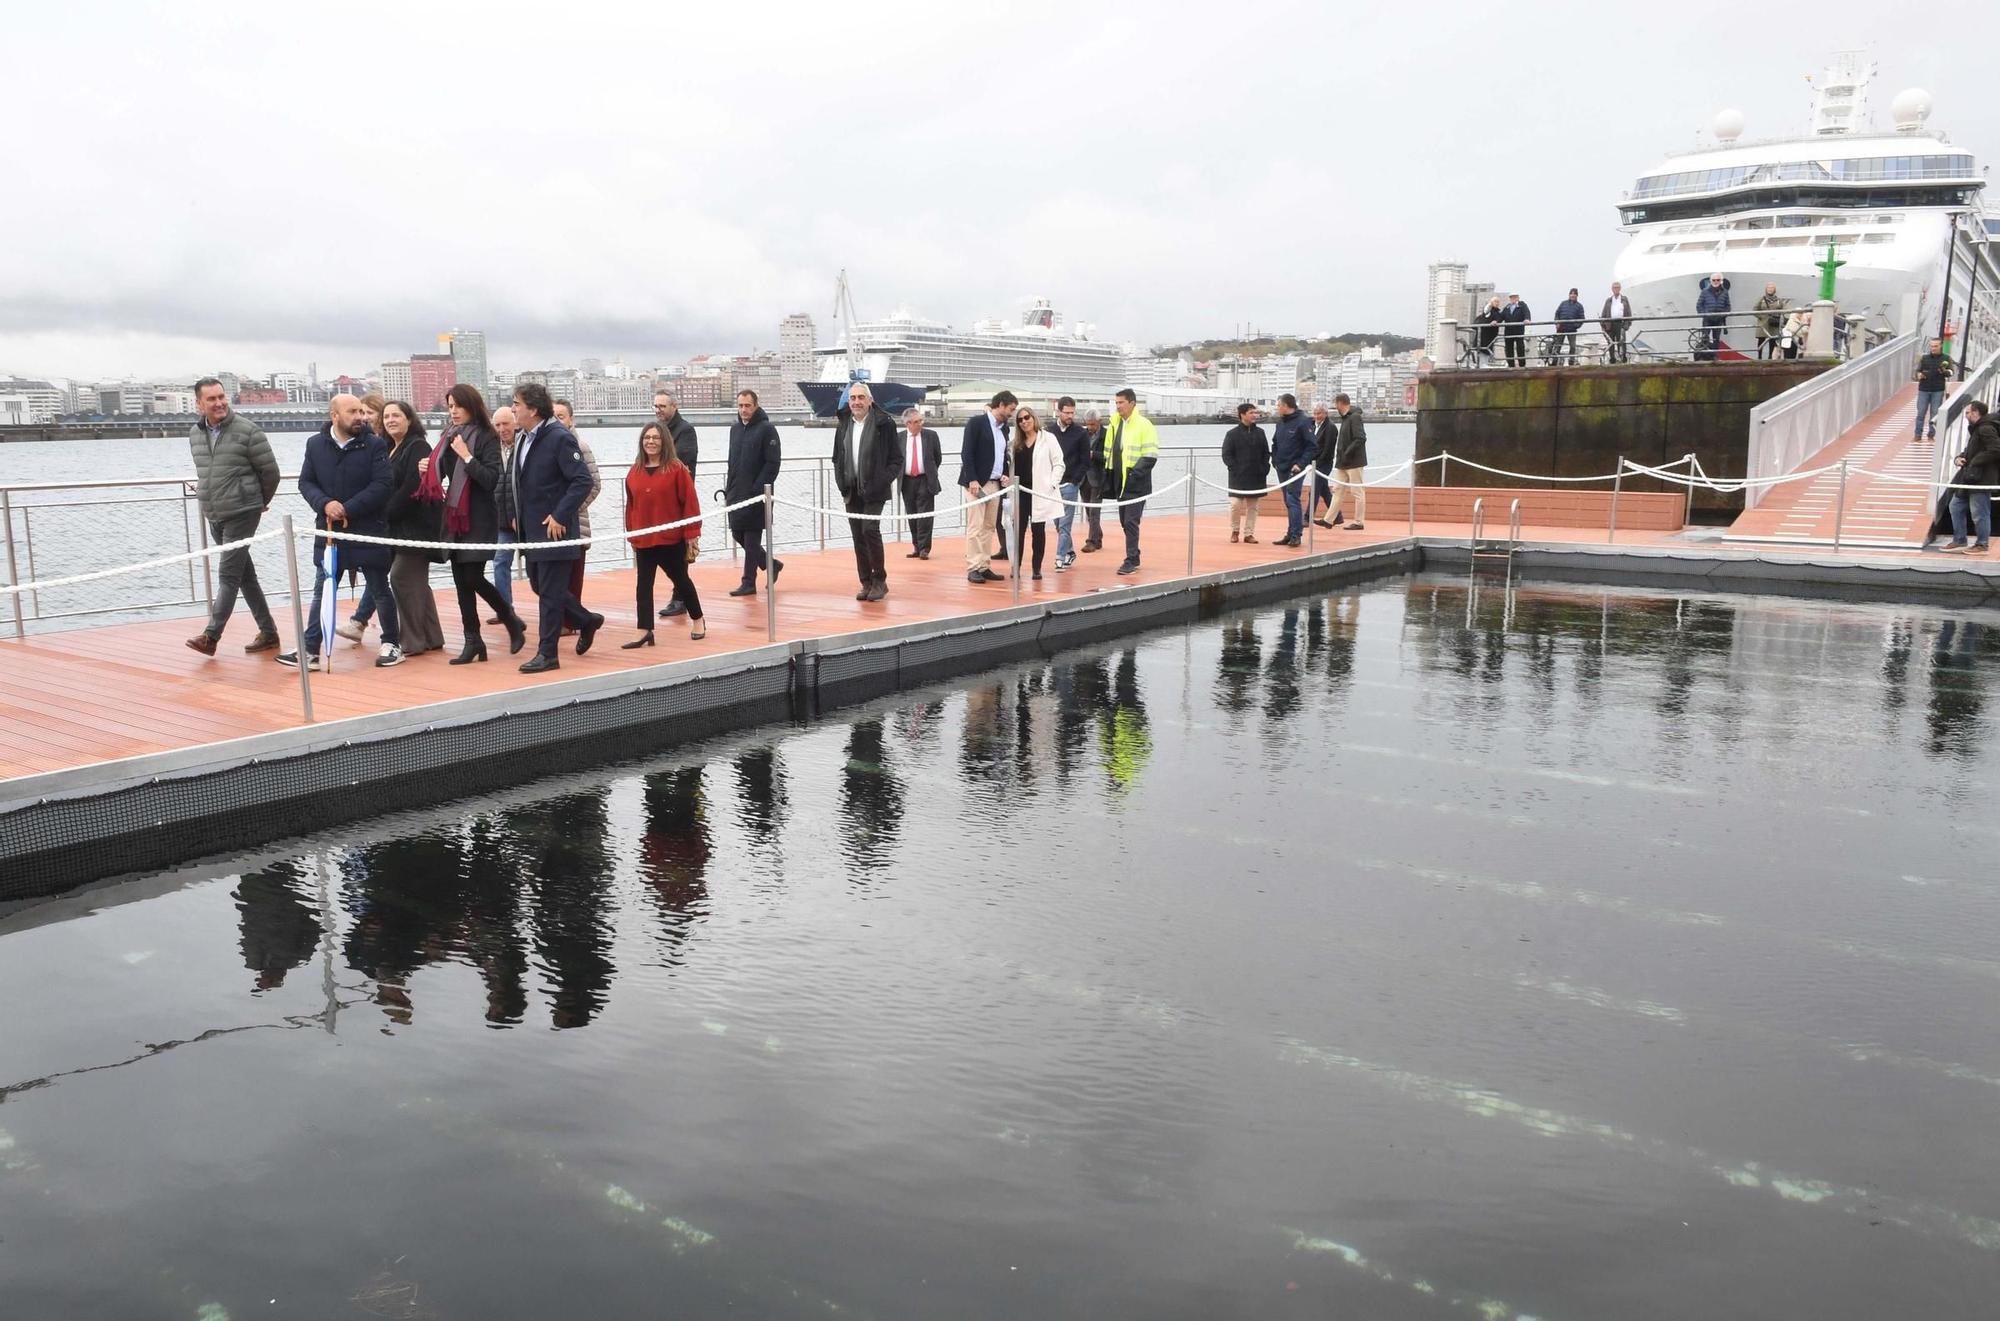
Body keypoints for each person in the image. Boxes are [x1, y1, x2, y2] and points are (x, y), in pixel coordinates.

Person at [279, 394, 400, 670]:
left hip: (368, 530)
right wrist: (325, 504)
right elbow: (306, 482)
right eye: (352, 411)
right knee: (323, 590)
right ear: (334, 415)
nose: (361, 416)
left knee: (380, 588)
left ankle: (392, 643)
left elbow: (383, 485)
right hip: (330, 533)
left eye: (361, 411)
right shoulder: (315, 444)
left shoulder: (375, 444)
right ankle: (309, 650)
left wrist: (346, 508)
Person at [183, 377, 281, 656]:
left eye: (221, 397)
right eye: (211, 399)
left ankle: (211, 636)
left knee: (228, 574)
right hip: (215, 512)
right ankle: (269, 632)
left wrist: (260, 502)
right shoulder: (195, 434)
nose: (219, 403)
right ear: (199, 404)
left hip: (242, 512)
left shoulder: (248, 432)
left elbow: (270, 472)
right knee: (244, 575)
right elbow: (207, 471)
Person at [508, 382, 601, 673]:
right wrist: (515, 515)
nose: (513, 409)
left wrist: (561, 515)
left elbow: (582, 480)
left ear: (533, 409)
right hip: (532, 531)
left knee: (549, 593)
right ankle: (586, 620)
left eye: (517, 404)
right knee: (540, 585)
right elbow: (519, 481)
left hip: (555, 531)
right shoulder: (524, 438)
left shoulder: (558, 437)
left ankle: (547, 654)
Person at [432, 384, 525, 664]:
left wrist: (466, 456)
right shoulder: (449, 436)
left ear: (471, 406)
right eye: (449, 407)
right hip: (455, 517)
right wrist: (431, 466)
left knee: (472, 577)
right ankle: (473, 640)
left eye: (457, 406)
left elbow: (489, 479)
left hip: (479, 518)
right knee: (461, 580)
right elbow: (447, 475)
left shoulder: (486, 436)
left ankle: (509, 617)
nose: (453, 412)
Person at [622, 422, 705, 644]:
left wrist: (692, 533)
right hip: (644, 537)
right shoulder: (635, 470)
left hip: (670, 538)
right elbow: (631, 505)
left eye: (655, 438)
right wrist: (631, 532)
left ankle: (698, 618)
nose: (650, 441)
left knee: (681, 580)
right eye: (647, 437)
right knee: (643, 584)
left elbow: (690, 502)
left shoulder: (677, 469)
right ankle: (644, 629)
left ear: (664, 441)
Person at [379, 401, 445, 657]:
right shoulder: (388, 447)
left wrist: (384, 513)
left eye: (396, 415)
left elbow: (411, 488)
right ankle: (431, 636)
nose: (391, 420)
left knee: (401, 577)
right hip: (397, 529)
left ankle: (412, 641)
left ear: (409, 419)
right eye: (386, 416)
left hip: (416, 528)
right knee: (417, 583)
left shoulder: (417, 446)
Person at [833, 382, 898, 601]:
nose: (856, 402)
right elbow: (837, 456)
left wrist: (883, 480)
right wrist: (841, 481)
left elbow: (896, 459)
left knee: (870, 530)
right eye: (852, 398)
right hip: (851, 488)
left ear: (870, 400)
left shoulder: (884, 423)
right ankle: (866, 582)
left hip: (875, 488)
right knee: (857, 536)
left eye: (861, 397)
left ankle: (880, 580)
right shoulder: (843, 423)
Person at [724, 389, 784, 596]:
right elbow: (732, 462)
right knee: (737, 532)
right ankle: (771, 564)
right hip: (735, 493)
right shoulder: (735, 430)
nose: (743, 410)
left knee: (751, 538)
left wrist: (757, 489)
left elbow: (773, 463)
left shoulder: (767, 429)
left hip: (758, 494)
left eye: (747, 405)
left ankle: (748, 582)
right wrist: (729, 489)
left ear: (756, 406)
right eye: (740, 405)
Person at [958, 389, 1016, 584]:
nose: (1012, 413)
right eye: (1010, 409)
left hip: (995, 484)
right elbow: (967, 453)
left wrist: (1005, 474)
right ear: (1000, 404)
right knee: (975, 526)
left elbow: (1003, 456)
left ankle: (984, 565)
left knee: (989, 526)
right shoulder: (977, 423)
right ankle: (973, 567)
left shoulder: (1004, 428)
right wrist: (972, 479)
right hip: (977, 484)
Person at [652, 390, 700, 619]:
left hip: (679, 500)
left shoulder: (686, 431)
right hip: (660, 500)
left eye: (662, 406)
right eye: (656, 406)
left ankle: (680, 597)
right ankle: (679, 594)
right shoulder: (656, 431)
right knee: (663, 550)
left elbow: (682, 461)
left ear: (674, 406)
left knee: (679, 551)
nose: (658, 410)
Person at [1103, 388, 1158, 576]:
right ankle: (1134, 554)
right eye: (1116, 403)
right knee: (1124, 522)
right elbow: (1110, 451)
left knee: (1131, 521)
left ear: (1132, 403)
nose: (1118, 406)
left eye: (1121, 402)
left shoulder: (1144, 424)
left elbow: (1150, 455)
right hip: (1119, 481)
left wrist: (1134, 475)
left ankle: (1131, 559)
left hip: (1136, 482)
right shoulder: (1114, 423)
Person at [1013, 407, 1063, 580]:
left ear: (1033, 418)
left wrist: (1052, 483)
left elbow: (1059, 464)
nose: (1024, 421)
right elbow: (1011, 468)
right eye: (1020, 420)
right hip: (1021, 492)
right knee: (1018, 531)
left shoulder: (1048, 439)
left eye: (1027, 417)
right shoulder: (1015, 443)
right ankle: (1016, 567)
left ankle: (1036, 568)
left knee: (1038, 531)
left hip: (1040, 492)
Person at [1943, 400, 2000, 554]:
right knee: (1955, 506)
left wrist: (1975, 462)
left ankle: (1982, 544)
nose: (1966, 415)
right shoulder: (1977, 429)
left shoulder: (1986, 428)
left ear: (1975, 412)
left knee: (1979, 512)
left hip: (1981, 479)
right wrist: (1959, 458)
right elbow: (1971, 450)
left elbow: (1996, 450)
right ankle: (1960, 539)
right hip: (1970, 477)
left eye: (1967, 412)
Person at [1269, 392, 1315, 547]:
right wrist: (1274, 459)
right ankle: (1290, 533)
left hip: (1295, 468)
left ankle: (1296, 534)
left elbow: (1312, 447)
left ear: (1286, 406)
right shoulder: (1280, 423)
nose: (1277, 408)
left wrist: (1300, 464)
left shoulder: (1303, 422)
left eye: (1278, 405)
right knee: (1288, 501)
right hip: (1281, 467)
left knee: (1292, 499)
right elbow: (1275, 443)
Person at [897, 406, 943, 560]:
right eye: (916, 422)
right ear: (907, 423)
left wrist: (930, 472)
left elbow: (937, 458)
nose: (919, 424)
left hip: (925, 479)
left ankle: (924, 548)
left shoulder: (931, 436)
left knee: (925, 515)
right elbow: (896, 459)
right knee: (912, 514)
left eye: (920, 421)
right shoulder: (899, 438)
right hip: (907, 481)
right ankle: (916, 546)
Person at [1220, 402, 1270, 543]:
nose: (1255, 415)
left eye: (1256, 413)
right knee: (1235, 504)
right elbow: (1226, 454)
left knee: (1253, 506)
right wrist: (1234, 468)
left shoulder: (1260, 433)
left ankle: (1249, 533)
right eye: (1251, 413)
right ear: (1242, 415)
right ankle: (1235, 531)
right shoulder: (1232, 434)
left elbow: (1266, 453)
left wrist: (1265, 468)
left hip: (1256, 475)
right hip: (1238, 476)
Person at [488, 405, 519, 619]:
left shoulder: (526, 445)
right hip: (501, 519)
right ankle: (505, 610)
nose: (502, 429)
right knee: (500, 561)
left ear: (515, 422)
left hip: (523, 518)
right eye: (497, 425)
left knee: (539, 569)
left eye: (505, 424)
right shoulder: (491, 449)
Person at [1049, 396, 1087, 569]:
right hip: (1053, 485)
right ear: (1058, 411)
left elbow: (1085, 460)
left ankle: (1060, 558)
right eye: (1067, 412)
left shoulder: (1080, 432)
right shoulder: (1049, 432)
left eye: (1072, 412)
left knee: (1065, 525)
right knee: (1058, 523)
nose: (1070, 416)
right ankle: (1070, 551)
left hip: (1071, 485)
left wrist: (1075, 481)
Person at [1332, 392, 1369, 530]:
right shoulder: (1346, 418)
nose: (1335, 407)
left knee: (1357, 491)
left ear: (1340, 403)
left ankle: (1359, 522)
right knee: (1337, 490)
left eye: (1336, 404)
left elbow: (1360, 438)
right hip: (1343, 462)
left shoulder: (1354, 417)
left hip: (1354, 461)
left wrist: (1347, 452)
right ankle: (1328, 519)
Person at [1914, 337, 1954, 441]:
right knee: (1921, 413)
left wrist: (1945, 371)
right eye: (1931, 346)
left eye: (1935, 346)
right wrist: (1919, 375)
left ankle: (1931, 435)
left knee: (1935, 413)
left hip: (1938, 389)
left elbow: (1951, 372)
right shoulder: (1924, 358)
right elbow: (1917, 371)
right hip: (1923, 389)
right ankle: (1917, 435)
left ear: (1941, 346)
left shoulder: (1946, 358)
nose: (1933, 348)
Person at [1078, 409, 1107, 551]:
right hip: (1083, 478)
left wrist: (1093, 454)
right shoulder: (1083, 434)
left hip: (1097, 477)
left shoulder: (1107, 435)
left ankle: (1092, 541)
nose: (1090, 427)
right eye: (1088, 424)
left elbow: (1108, 455)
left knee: (1095, 511)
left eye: (1093, 424)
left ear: (1099, 422)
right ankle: (1098, 536)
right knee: (1089, 510)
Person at [1310, 403, 1342, 528]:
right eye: (1315, 413)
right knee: (1324, 491)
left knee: (1314, 490)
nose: (1317, 416)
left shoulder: (1330, 427)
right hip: (1315, 463)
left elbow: (1328, 449)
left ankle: (1307, 517)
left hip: (1324, 464)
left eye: (1319, 413)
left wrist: (1317, 463)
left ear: (1326, 413)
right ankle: (1337, 517)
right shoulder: (1313, 426)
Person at [1695, 273, 1731, 361]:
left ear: (1721, 281)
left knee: (1716, 338)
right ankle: (1703, 355)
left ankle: (1715, 355)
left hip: (1718, 318)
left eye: (1718, 280)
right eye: (1714, 280)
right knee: (1705, 337)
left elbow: (1728, 306)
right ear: (1711, 281)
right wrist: (1704, 314)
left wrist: (1723, 314)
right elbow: (1699, 305)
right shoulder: (1705, 291)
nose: (1716, 282)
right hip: (1707, 318)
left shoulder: (1725, 292)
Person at [1599, 282, 1633, 365]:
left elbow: (1628, 312)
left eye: (1617, 287)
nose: (1616, 289)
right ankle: (1612, 359)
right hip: (1610, 324)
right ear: (1612, 289)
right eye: (1614, 287)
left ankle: (1623, 358)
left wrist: (1627, 324)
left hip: (1621, 323)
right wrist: (1603, 324)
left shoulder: (1624, 299)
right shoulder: (1609, 300)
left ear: (1620, 288)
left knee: (1621, 341)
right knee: (1610, 342)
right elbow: (1604, 313)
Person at [1553, 288, 1586, 365]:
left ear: (1577, 295)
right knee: (1558, 345)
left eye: (1574, 294)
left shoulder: (1579, 306)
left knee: (1573, 346)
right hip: (1561, 328)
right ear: (1569, 295)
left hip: (1572, 329)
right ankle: (1554, 362)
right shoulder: (1563, 303)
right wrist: (1557, 323)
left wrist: (1575, 326)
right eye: (1571, 293)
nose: (1573, 295)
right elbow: (1557, 314)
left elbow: (1582, 318)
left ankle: (1571, 362)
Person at [1755, 283, 1787, 360]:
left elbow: (1785, 309)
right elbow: (1755, 309)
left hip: (1773, 323)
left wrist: (1779, 315)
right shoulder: (1761, 299)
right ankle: (1759, 356)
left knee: (1772, 340)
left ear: (1774, 290)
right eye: (1769, 288)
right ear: (1766, 289)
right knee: (1761, 339)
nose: (1770, 289)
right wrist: (1761, 316)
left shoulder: (1778, 300)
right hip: (1763, 323)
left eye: (1772, 288)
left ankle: (1770, 357)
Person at [1500, 293, 1531, 367]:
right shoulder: (1507, 307)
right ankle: (1511, 365)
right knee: (1508, 348)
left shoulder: (1522, 305)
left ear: (1517, 298)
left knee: (1520, 347)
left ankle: (1522, 364)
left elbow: (1527, 312)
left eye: (1514, 297)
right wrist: (1496, 321)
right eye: (1511, 297)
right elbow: (1501, 316)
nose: (1512, 299)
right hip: (1508, 331)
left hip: (1518, 330)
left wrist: (1527, 319)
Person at [1473, 296, 1504, 366]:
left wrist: (1496, 321)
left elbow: (1499, 318)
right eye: (1495, 301)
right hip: (1483, 333)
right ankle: (1481, 365)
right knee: (1481, 349)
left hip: (1490, 334)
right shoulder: (1488, 310)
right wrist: (1490, 304)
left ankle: (1483, 364)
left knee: (1486, 349)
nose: (1497, 303)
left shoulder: (1498, 312)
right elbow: (1486, 311)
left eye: (1498, 302)